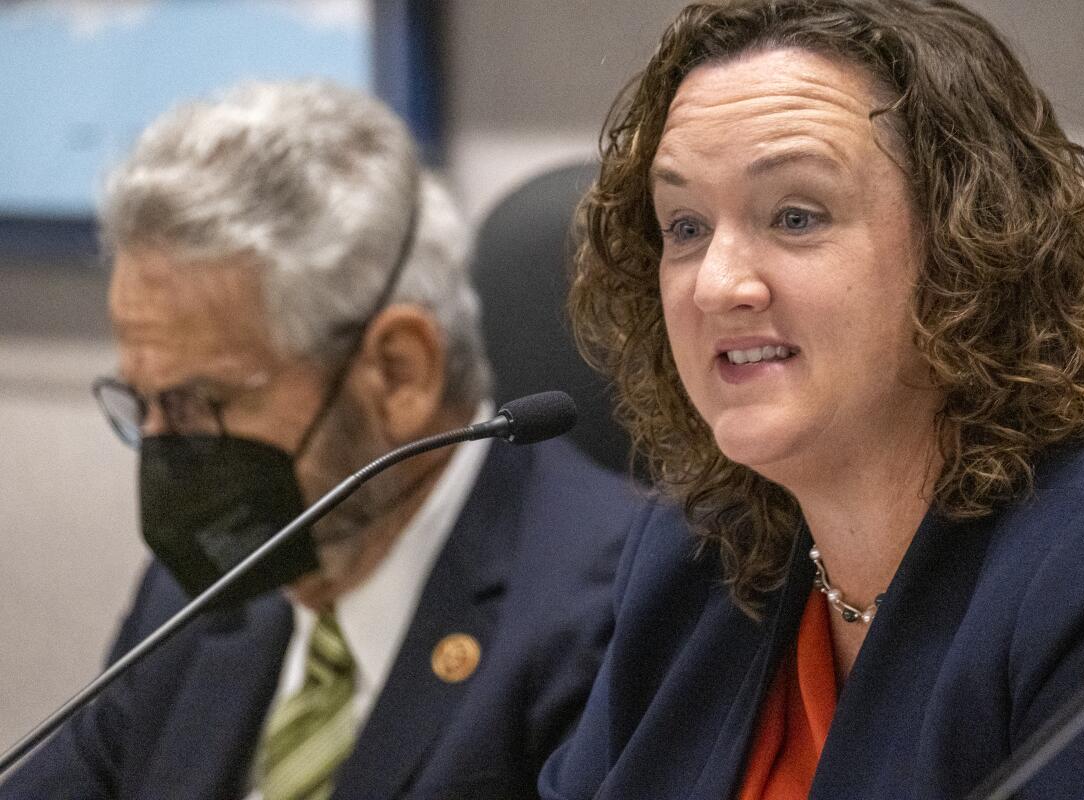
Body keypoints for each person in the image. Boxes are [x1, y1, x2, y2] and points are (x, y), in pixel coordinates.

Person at [538, 1, 1084, 798]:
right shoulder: (695, 554)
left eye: (795, 215)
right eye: (684, 227)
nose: (717, 284)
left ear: (968, 244)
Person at [0, 80, 648, 800]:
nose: (161, 452)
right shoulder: (209, 584)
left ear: (398, 373)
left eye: (196, 405)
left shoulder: (609, 621)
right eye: (142, 404)